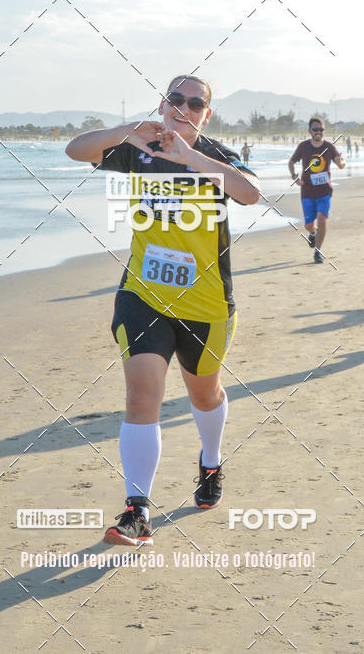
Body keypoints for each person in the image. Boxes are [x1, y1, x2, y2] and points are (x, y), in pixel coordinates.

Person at [65, 75, 261, 545]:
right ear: (163, 102)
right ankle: (137, 510)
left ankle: (210, 461)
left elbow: (251, 193)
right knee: (141, 393)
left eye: (195, 103)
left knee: (204, 395)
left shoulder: (214, 157)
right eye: (176, 99)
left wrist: (189, 156)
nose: (184, 107)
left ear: (205, 115)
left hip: (207, 303)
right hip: (144, 295)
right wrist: (129, 130)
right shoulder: (139, 147)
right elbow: (76, 149)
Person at [288, 118, 345, 263]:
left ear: (324, 131)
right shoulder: (303, 146)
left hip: (325, 191)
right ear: (309, 131)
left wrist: (341, 163)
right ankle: (312, 233)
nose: (318, 132)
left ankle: (318, 252)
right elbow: (291, 162)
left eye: (321, 129)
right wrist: (295, 178)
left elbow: (340, 162)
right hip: (307, 191)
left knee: (322, 220)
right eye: (315, 129)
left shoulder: (329, 147)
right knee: (308, 225)